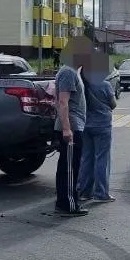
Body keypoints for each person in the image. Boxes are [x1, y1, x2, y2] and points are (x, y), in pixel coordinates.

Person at [53, 38, 91, 216]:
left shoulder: (73, 71)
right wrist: (67, 129)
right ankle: (68, 204)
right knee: (69, 168)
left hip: (75, 126)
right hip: (72, 127)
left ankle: (65, 201)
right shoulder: (69, 72)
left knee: (69, 166)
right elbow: (63, 102)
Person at [78, 50, 117, 203]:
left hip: (85, 124)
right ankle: (101, 193)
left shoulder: (81, 82)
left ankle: (84, 191)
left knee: (86, 158)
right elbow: (113, 105)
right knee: (102, 159)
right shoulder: (104, 84)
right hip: (102, 125)